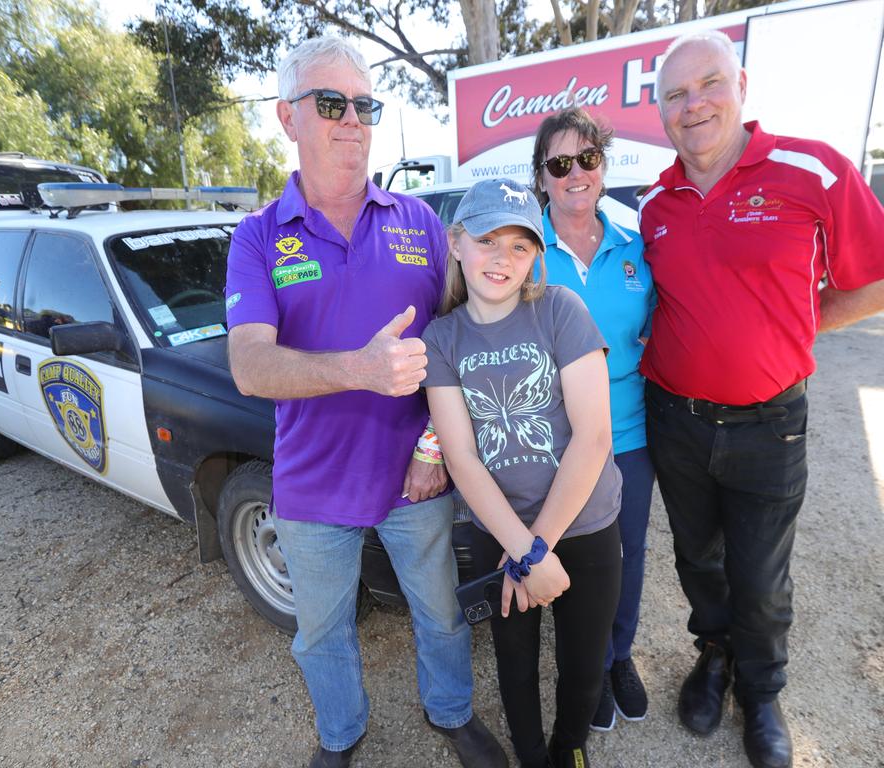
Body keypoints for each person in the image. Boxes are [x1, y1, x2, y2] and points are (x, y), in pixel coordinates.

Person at [224, 37, 507, 768]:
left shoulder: (418, 223)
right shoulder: (258, 237)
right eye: (331, 103)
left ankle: (450, 714)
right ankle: (340, 736)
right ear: (288, 117)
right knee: (322, 632)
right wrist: (360, 367)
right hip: (313, 485)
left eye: (365, 104)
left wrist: (435, 448)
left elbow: (464, 341)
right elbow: (250, 366)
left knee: (441, 614)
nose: (352, 119)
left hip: (416, 476)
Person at [641, 31, 884, 768]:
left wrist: (794, 324)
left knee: (760, 573)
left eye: (708, 84)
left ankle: (762, 689)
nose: (695, 105)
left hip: (770, 423)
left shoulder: (811, 169)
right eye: (676, 95)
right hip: (674, 419)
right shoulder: (655, 202)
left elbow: (872, 279)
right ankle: (712, 656)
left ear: (741, 84)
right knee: (697, 560)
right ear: (661, 113)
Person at [422, 177, 623, 768]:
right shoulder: (443, 338)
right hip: (499, 533)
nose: (502, 258)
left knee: (585, 662)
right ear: (457, 244)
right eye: (487, 240)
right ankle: (533, 756)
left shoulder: (559, 309)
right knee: (515, 662)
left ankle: (569, 750)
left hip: (583, 525)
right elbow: (460, 455)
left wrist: (539, 551)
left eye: (519, 245)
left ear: (536, 254)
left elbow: (593, 437)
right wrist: (522, 552)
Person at [530, 108, 657, 732]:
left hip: (630, 436)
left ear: (603, 167)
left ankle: (617, 658)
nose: (575, 173)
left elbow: (661, 334)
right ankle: (583, 666)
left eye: (587, 159)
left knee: (628, 555)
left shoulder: (637, 248)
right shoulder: (527, 256)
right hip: (555, 443)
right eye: (560, 164)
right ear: (543, 177)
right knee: (572, 555)